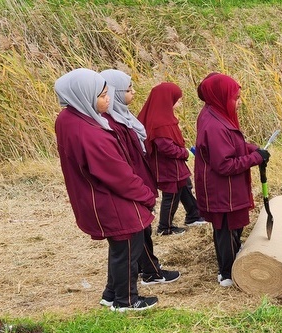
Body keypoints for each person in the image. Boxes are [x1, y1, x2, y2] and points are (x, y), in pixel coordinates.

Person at [54, 68, 157, 311]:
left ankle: (111, 293)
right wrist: (146, 195)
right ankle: (126, 300)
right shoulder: (90, 134)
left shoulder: (69, 118)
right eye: (101, 95)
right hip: (109, 199)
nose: (107, 99)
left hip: (94, 196)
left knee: (120, 248)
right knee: (129, 245)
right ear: (84, 96)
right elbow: (117, 174)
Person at [100, 69, 181, 288]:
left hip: (140, 180)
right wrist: (140, 189)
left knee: (142, 229)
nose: (134, 93)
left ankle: (150, 270)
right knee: (137, 231)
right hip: (133, 184)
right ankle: (149, 273)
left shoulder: (123, 116)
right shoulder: (112, 124)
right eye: (128, 89)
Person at [194, 73, 269, 287]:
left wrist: (253, 149)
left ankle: (234, 255)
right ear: (220, 96)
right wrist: (255, 158)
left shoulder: (216, 114)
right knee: (225, 228)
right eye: (234, 98)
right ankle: (226, 273)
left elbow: (232, 146)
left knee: (231, 227)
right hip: (222, 190)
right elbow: (224, 164)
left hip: (225, 188)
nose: (237, 102)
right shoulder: (214, 126)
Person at [137, 82, 205, 236]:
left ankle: (194, 214)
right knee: (172, 194)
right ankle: (165, 227)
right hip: (167, 166)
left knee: (185, 185)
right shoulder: (160, 122)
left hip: (174, 165)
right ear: (168, 100)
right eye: (178, 99)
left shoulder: (164, 116)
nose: (180, 102)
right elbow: (166, 147)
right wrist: (185, 153)